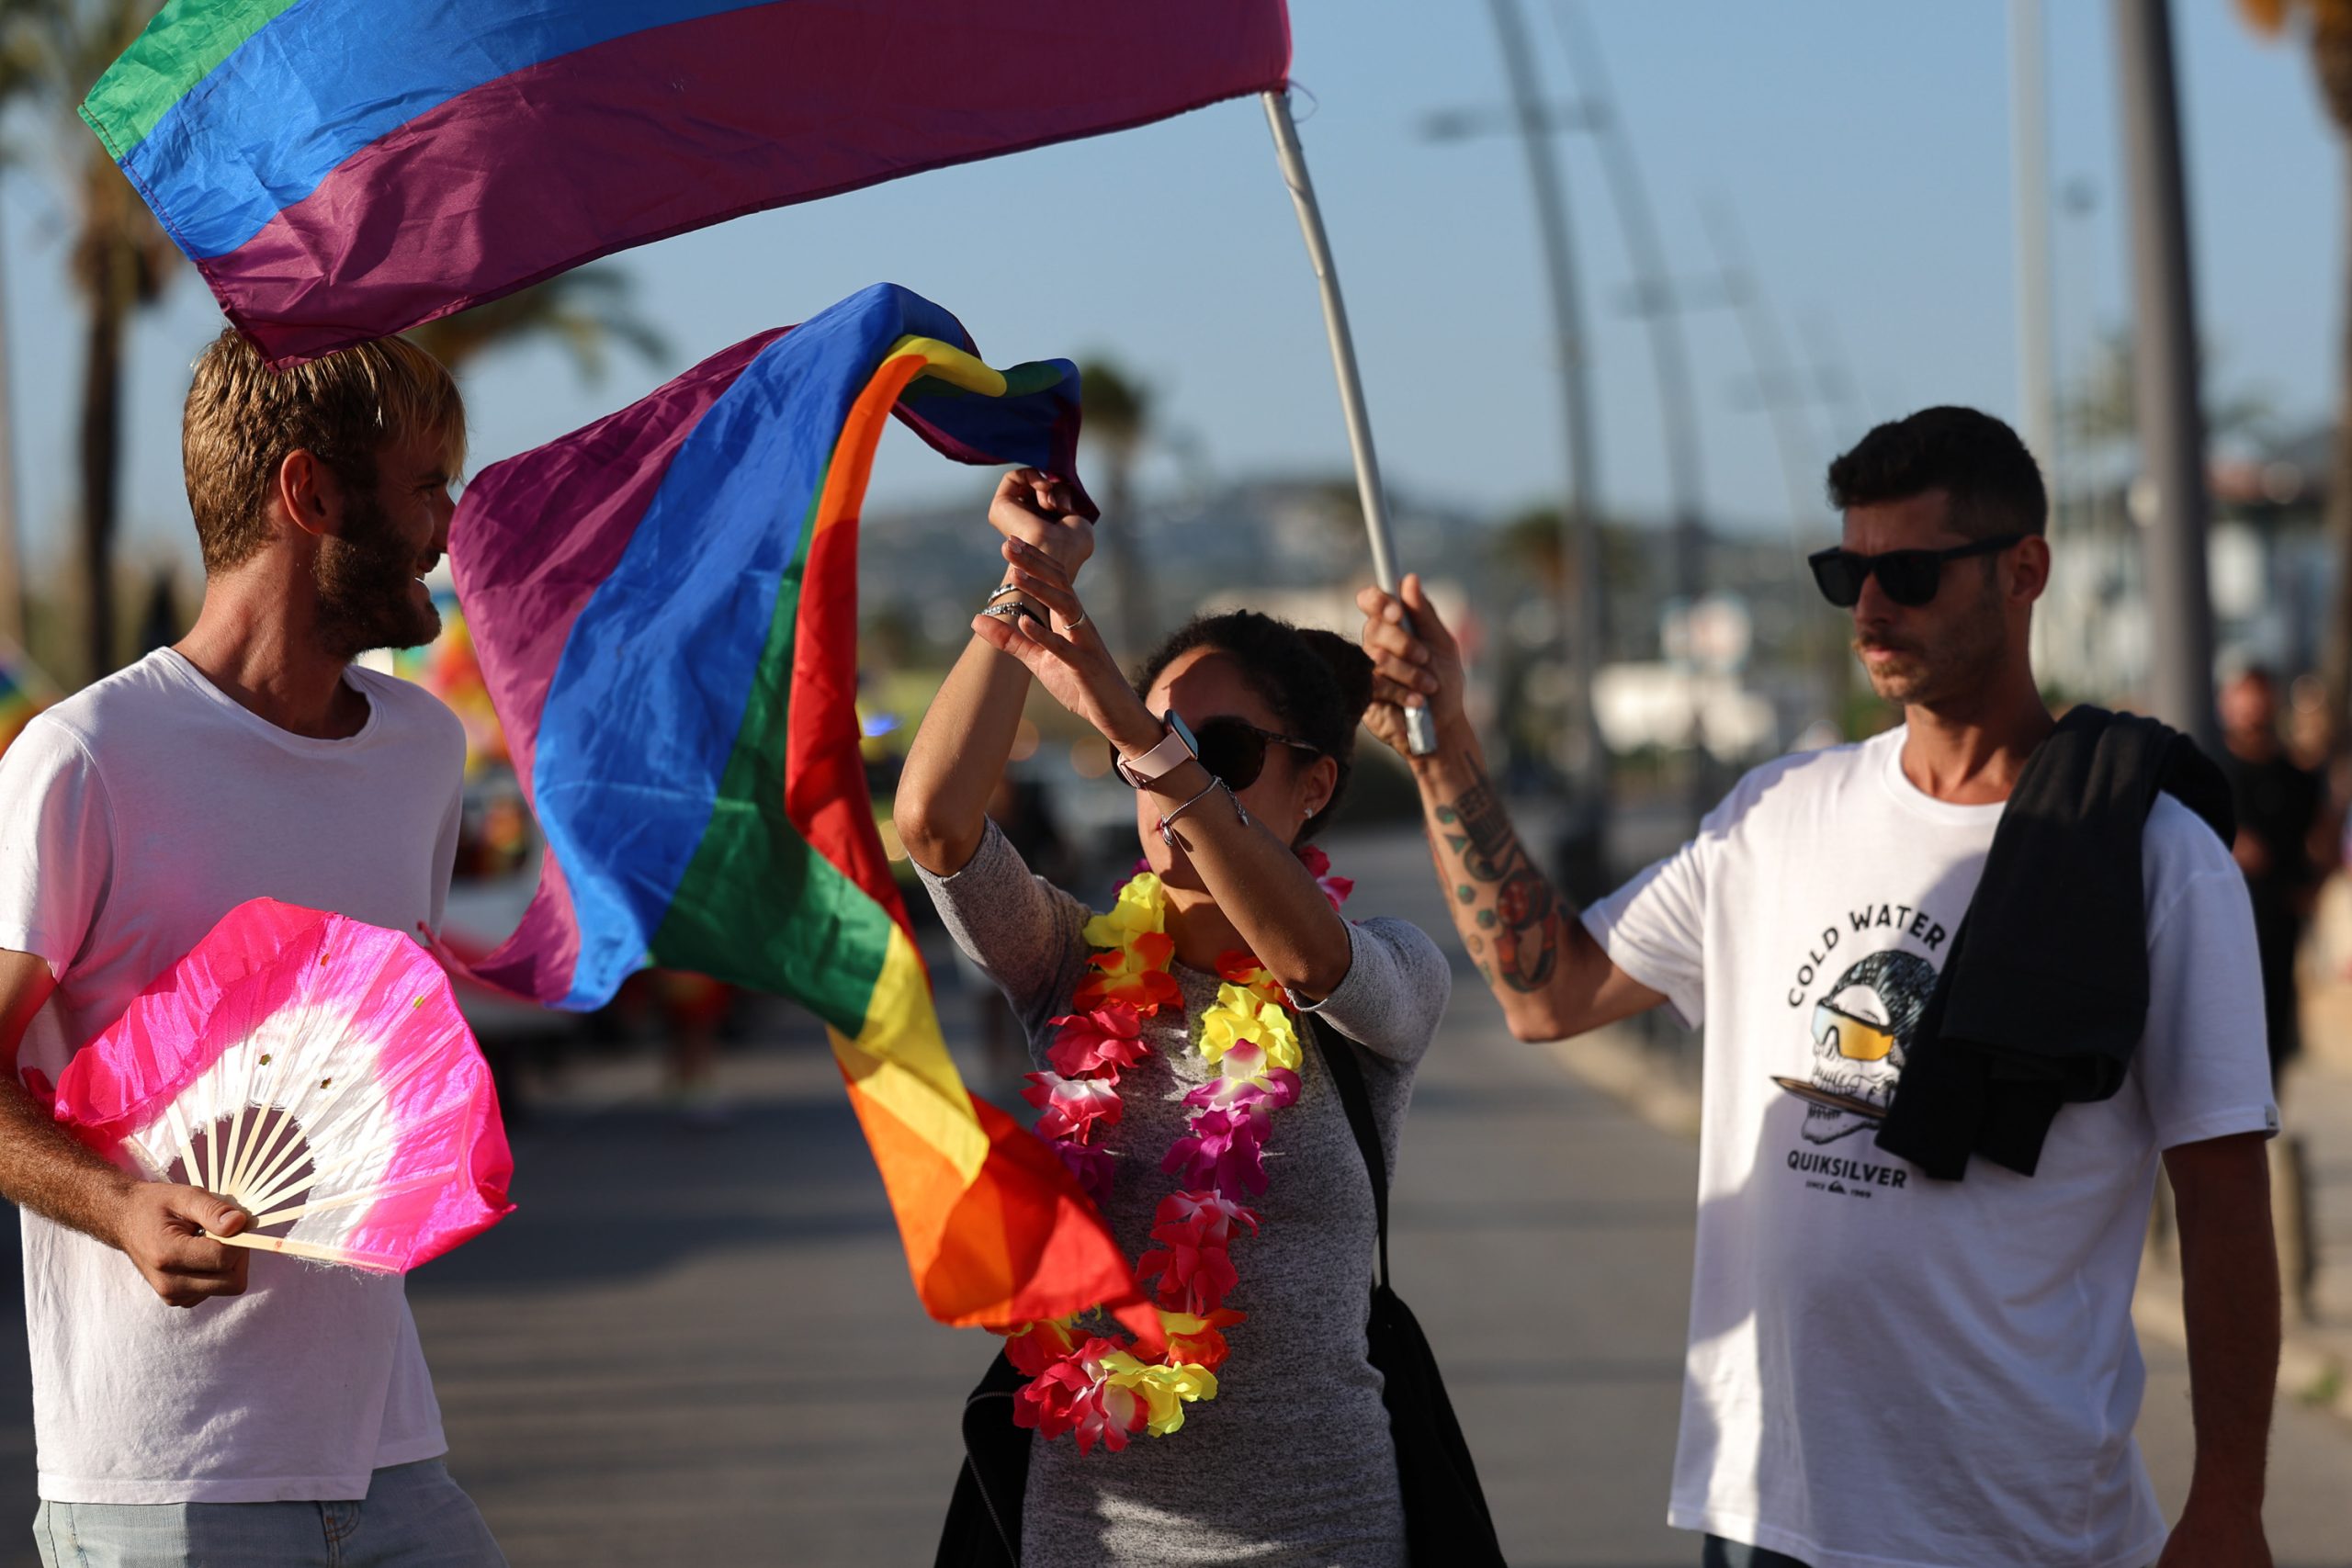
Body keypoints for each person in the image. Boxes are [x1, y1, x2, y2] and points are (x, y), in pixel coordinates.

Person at [1359, 407, 2278, 1568]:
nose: (1870, 607)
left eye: (1906, 571)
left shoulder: (2153, 853)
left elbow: (2226, 1192)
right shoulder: (1773, 815)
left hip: (2022, 1529)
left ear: (2023, 571)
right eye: (1846, 571)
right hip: (1767, 1515)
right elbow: (1550, 991)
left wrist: (2231, 1504)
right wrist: (1443, 745)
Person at [0, 328, 505, 1565]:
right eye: (428, 480)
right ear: (310, 493)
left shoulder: (423, 754)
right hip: (163, 1482)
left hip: (392, 1453)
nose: (450, 519)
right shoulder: (87, 757)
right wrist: (118, 1203)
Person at [895, 469, 1450, 1567]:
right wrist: (1031, 578)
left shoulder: (1389, 969)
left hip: (1326, 1537)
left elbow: (1307, 959)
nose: (1166, 782)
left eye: (1220, 754)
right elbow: (935, 825)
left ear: (1315, 784)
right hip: (1087, 1540)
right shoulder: (1067, 963)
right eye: (1145, 749)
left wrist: (1127, 718)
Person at [2216, 663, 2330, 1085]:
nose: (2252, 709)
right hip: (2222, 928)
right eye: (2243, 698)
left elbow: (2318, 844)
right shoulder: (2208, 772)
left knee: (2272, 1033)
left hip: (2278, 926)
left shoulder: (2295, 775)